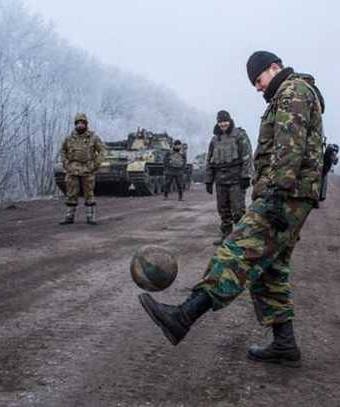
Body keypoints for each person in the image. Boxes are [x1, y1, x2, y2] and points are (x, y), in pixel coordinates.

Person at [139, 51, 325, 368]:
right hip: (291, 193)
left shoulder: (293, 91)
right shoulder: (288, 94)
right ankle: (284, 344)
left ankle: (183, 316)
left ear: (274, 67)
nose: (257, 87)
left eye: (259, 79)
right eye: (254, 83)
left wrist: (277, 194)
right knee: (269, 270)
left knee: (237, 252)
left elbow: (290, 147)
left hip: (285, 194)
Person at [205, 110, 253, 245]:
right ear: (217, 122)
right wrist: (209, 180)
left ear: (230, 120)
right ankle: (226, 236)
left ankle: (240, 238)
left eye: (225, 121)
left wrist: (246, 176)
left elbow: (247, 156)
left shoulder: (239, 135)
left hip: (236, 180)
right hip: (220, 180)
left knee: (238, 211)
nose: (223, 124)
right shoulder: (214, 139)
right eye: (220, 122)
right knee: (223, 210)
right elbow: (209, 160)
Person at [59, 113, 105, 225]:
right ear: (75, 124)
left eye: (82, 122)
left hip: (87, 168)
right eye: (78, 123)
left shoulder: (93, 138)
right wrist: (66, 163)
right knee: (71, 193)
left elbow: (102, 151)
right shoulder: (69, 138)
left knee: (89, 193)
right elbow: (63, 151)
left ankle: (91, 217)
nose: (80, 125)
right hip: (73, 169)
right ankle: (69, 216)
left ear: (86, 124)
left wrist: (95, 164)